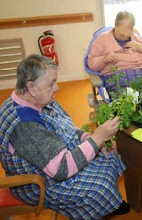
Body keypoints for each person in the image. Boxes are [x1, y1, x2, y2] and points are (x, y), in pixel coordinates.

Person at [0, 54, 130, 220]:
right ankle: (104, 206)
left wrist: (86, 137)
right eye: (51, 83)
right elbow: (62, 170)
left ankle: (109, 204)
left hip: (51, 160)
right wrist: (97, 139)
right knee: (100, 186)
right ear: (31, 87)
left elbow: (65, 126)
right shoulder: (25, 126)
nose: (57, 88)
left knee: (109, 155)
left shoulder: (33, 99)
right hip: (38, 183)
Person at [87, 10, 142, 94]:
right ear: (116, 24)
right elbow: (91, 64)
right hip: (118, 78)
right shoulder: (102, 40)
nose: (125, 38)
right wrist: (104, 59)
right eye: (122, 35)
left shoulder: (138, 39)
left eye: (128, 35)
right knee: (128, 103)